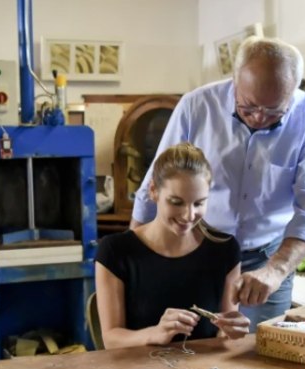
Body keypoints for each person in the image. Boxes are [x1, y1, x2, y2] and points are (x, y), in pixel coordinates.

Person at [131, 36, 305, 330]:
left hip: (269, 255)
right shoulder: (197, 106)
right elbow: (158, 181)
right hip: (196, 246)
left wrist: (275, 271)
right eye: (248, 107)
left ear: (294, 91)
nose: (259, 119)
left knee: (261, 352)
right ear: (235, 80)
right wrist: (133, 259)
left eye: (274, 111)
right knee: (186, 344)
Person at [95, 143, 250, 349]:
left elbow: (222, 333)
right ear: (153, 191)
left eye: (199, 203)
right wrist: (155, 333)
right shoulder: (115, 251)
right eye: (176, 202)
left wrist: (232, 330)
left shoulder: (225, 249)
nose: (188, 215)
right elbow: (112, 339)